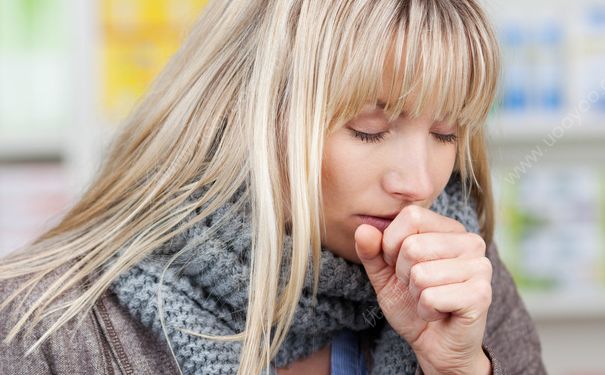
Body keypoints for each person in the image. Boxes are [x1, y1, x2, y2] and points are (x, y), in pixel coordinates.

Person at [0, 0, 547, 374]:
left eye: (445, 133)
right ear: (247, 114)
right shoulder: (50, 325)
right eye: (370, 130)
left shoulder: (462, 281)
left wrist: (460, 367)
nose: (421, 182)